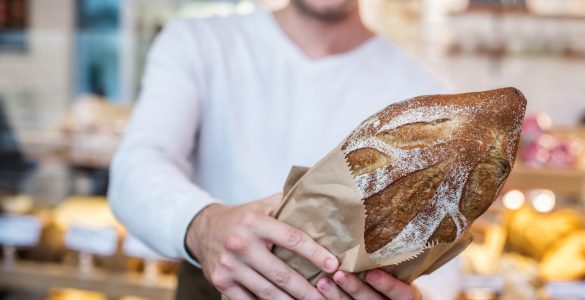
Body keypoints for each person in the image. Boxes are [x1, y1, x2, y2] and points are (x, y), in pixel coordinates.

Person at [108, 0, 460, 299]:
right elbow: (138, 165)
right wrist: (205, 226)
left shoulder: (425, 94)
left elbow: (441, 242)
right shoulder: (198, 43)